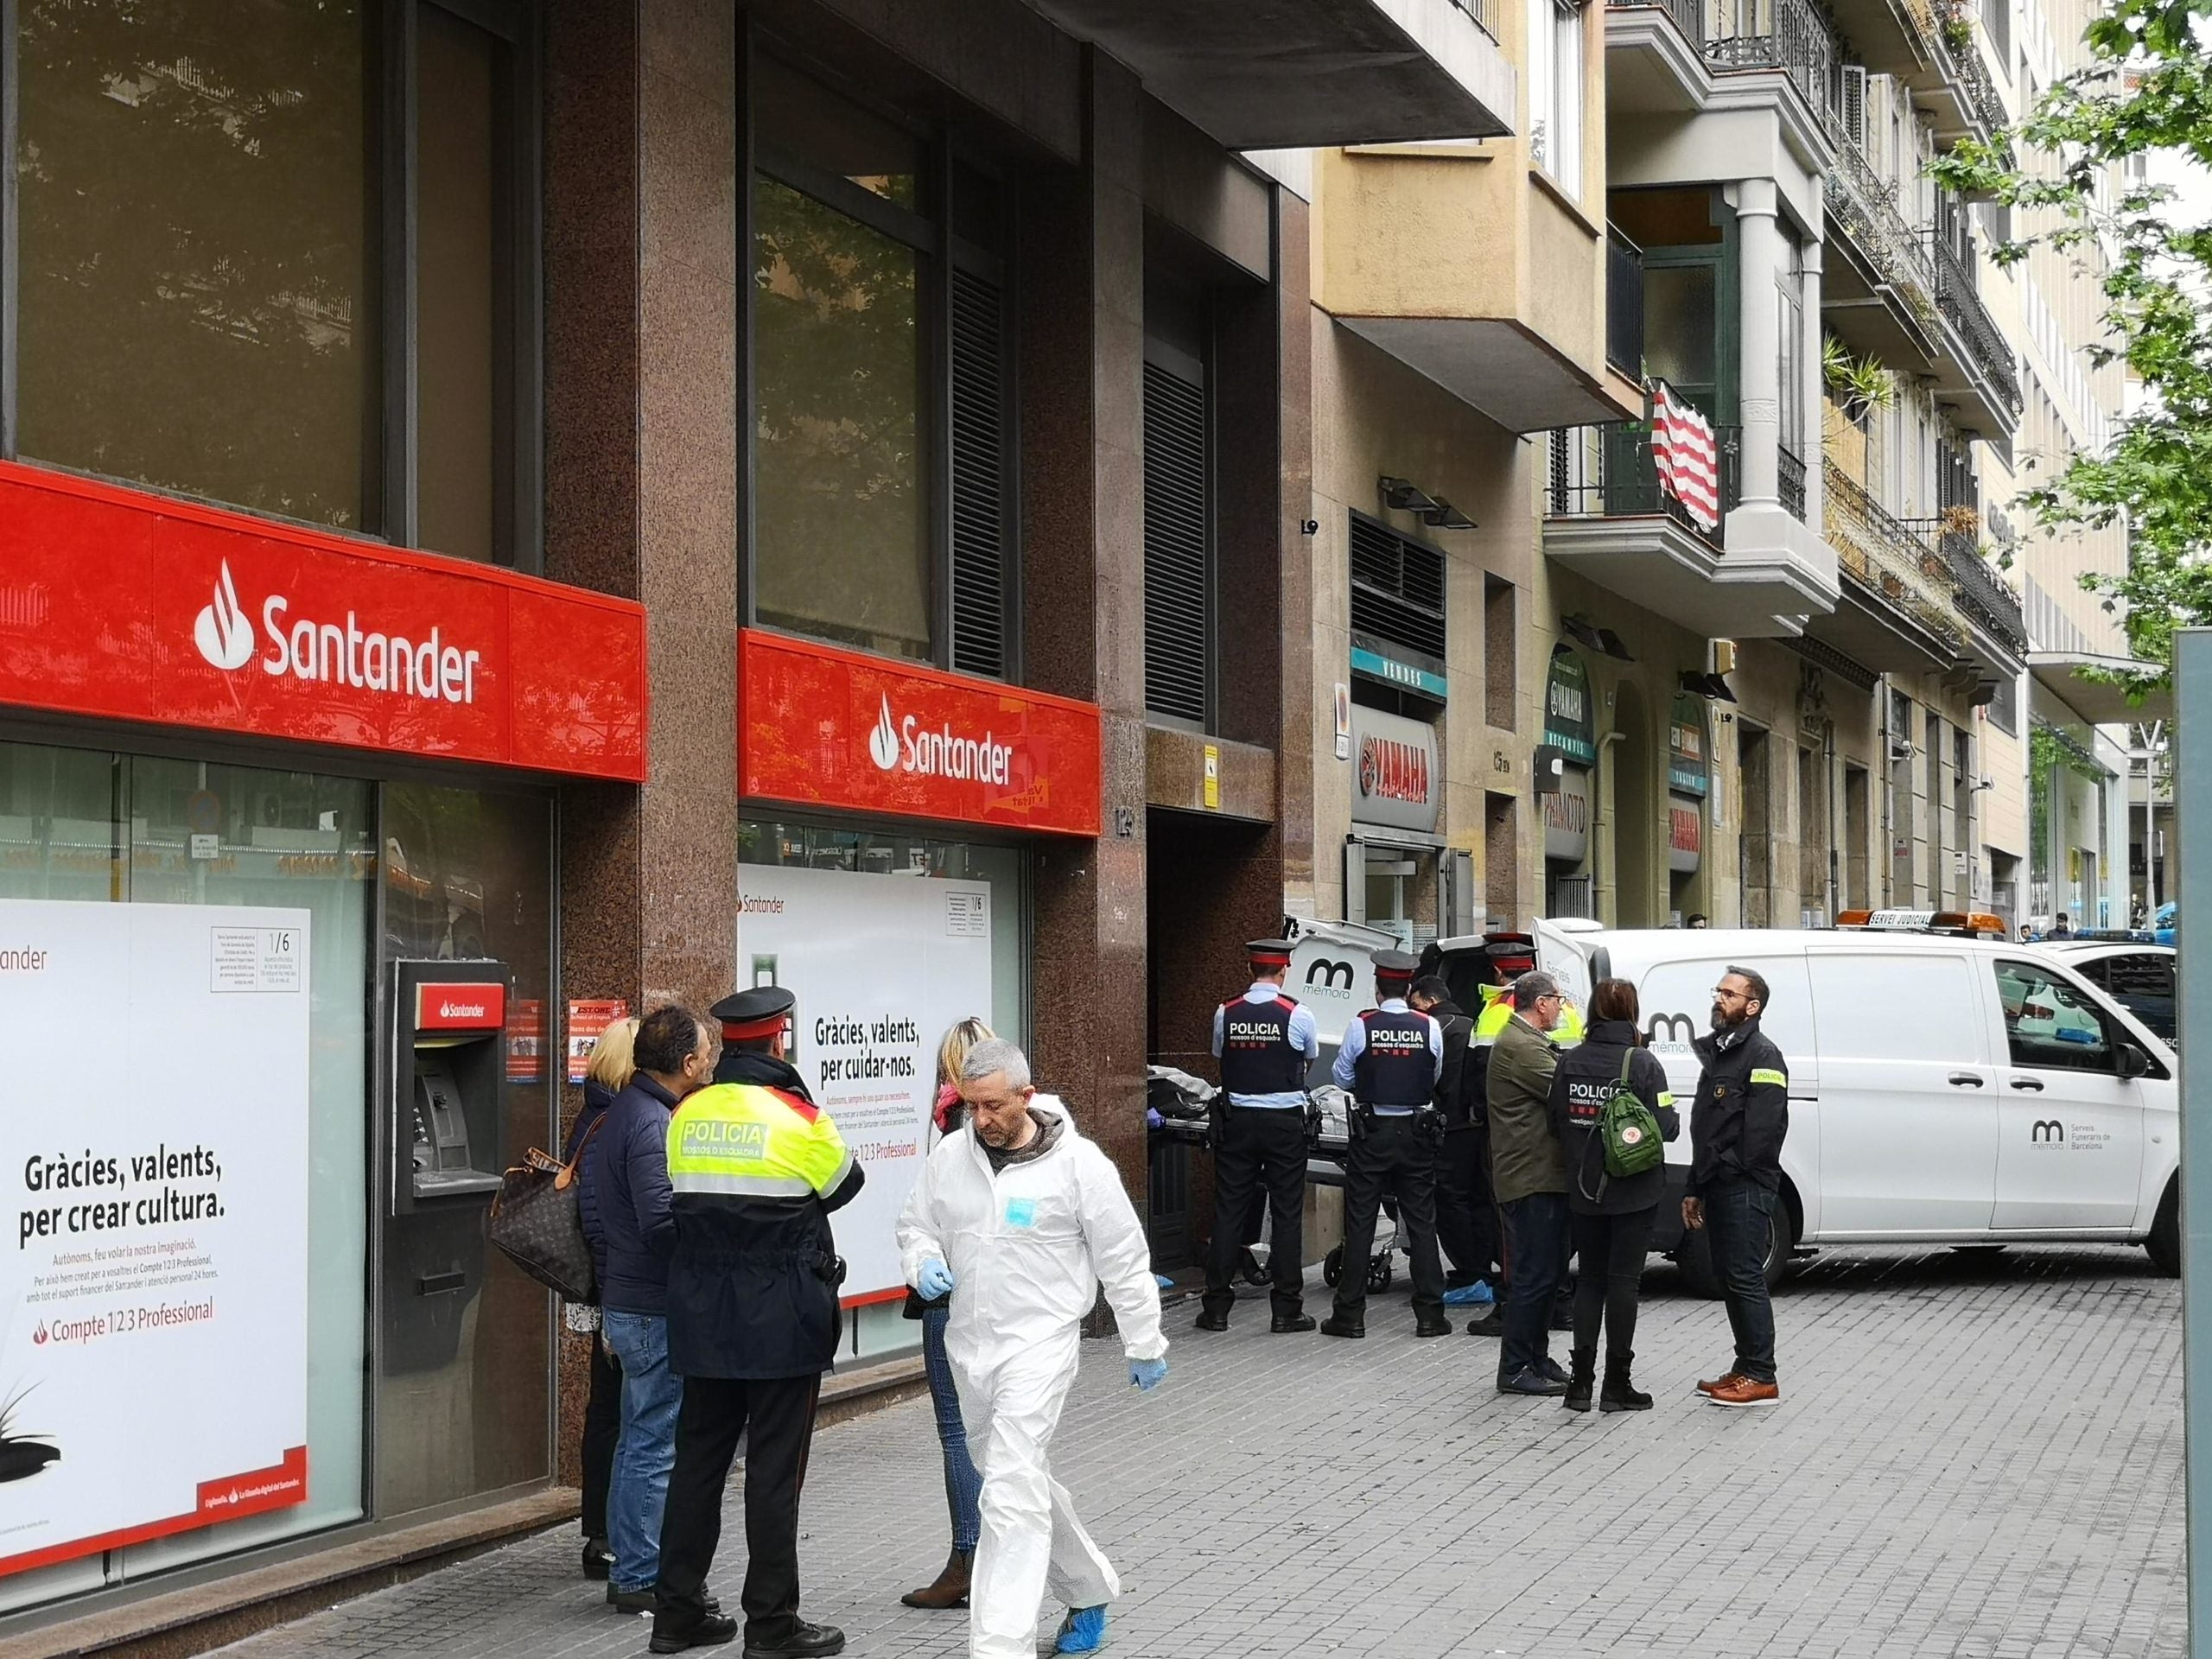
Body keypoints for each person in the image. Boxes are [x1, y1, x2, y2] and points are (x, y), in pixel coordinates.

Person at [896, 1038, 1167, 1659]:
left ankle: (999, 1646)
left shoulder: (1081, 1165)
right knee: (1013, 1477)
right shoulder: (949, 1157)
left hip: (1041, 1344)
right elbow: (915, 1224)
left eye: (993, 1106)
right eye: (971, 1108)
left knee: (1010, 1491)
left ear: (1026, 1095)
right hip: (970, 1343)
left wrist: (1143, 1339)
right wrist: (924, 1260)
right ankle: (1089, 1586)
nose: (981, 1120)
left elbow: (1122, 1256)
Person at [649, 986, 864, 1656]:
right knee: (774, 1472)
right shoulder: (796, 1114)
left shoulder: (686, 1112)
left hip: (701, 1317)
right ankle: (771, 1623)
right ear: (779, 1040)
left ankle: (676, 1613)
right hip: (781, 1322)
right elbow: (843, 1186)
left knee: (697, 1466)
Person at [581, 1004, 716, 1615]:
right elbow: (661, 1222)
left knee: (640, 1437)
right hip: (651, 1308)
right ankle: (638, 1573)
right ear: (687, 1064)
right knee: (652, 1443)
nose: (712, 1060)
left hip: (632, 1303)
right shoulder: (650, 1124)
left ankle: (633, 1563)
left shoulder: (626, 1111)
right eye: (706, 1052)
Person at [901, 1016, 996, 1612]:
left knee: (958, 1432)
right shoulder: (1022, 1127)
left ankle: (968, 1558)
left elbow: (924, 1221)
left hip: (953, 1299)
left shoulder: (951, 1128)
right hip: (1003, 1301)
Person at [1547, 980, 1677, 1411]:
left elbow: (1553, 1122)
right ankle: (1617, 1385)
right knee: (1624, 1282)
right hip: (1634, 1190)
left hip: (1584, 1189)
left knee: (1589, 1280)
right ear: (1633, 1012)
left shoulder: (1569, 1060)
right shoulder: (1643, 1063)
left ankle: (1578, 1384)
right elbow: (1667, 1127)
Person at [1197, 939, 1321, 1335]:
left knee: (1229, 1211)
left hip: (1237, 1121)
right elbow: (1309, 1057)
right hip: (1284, 1122)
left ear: (1251, 971)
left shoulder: (1226, 1012)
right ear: (1283, 971)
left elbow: (1221, 1054)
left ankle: (1215, 1308)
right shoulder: (1298, 1014)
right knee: (1286, 1214)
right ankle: (1287, 1309)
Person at [1321, 950, 1447, 1340]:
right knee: (1422, 1222)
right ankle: (1430, 1315)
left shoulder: (1362, 1026)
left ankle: (1350, 1316)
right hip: (1416, 1132)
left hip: (1372, 1131)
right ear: (1409, 989)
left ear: (1378, 990)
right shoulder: (1429, 1026)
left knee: (1360, 1223)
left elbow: (1340, 1078)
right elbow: (1435, 1073)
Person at [1682, 966, 1789, 1409]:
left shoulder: (1763, 1056)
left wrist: (1725, 1171)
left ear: (1753, 1005)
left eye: (1729, 993)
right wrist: (1694, 1186)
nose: (1719, 998)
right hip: (1719, 1183)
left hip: (1744, 1186)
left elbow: (1763, 1132)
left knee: (1744, 1277)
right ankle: (1745, 1366)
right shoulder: (1722, 1053)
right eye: (1718, 991)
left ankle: (1761, 1376)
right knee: (1729, 1276)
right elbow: (1707, 1126)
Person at [569, 1015, 641, 1582]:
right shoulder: (620, 1123)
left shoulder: (591, 1117)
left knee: (608, 1411)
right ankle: (609, 1537)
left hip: (603, 1288)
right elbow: (605, 1219)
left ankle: (602, 1533)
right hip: (620, 1289)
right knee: (621, 1416)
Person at [1487, 970, 1572, 1395]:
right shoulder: (1520, 1047)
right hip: (1529, 1178)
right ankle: (1516, 1366)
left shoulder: (1529, 1042)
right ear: (1540, 1004)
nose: (1562, 1006)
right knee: (1531, 1276)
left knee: (1547, 1273)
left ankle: (1537, 1356)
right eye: (1558, 999)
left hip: (1543, 1176)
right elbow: (1567, 1092)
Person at [1406, 975, 1487, 1302]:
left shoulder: (1433, 1028)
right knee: (1479, 1200)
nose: (1415, 1012)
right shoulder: (1474, 1024)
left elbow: (1428, 1079)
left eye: (1416, 1005)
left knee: (1450, 1200)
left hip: (1448, 1128)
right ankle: (1480, 1268)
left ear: (1428, 1001)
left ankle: (1469, 1273)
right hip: (1478, 1126)